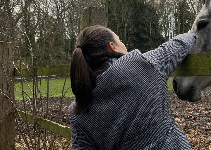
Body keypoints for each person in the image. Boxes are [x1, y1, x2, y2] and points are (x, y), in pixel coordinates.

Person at [68, 25, 197, 149]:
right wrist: (191, 34)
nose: (124, 45)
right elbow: (176, 46)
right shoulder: (141, 65)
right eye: (120, 40)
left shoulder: (77, 110)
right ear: (112, 47)